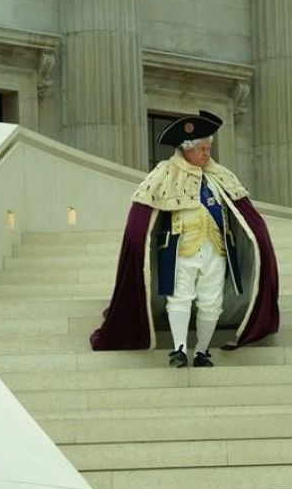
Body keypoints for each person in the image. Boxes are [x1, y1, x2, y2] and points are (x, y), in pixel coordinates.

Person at [90, 110, 279, 366]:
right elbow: (140, 214)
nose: (206, 153)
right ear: (186, 149)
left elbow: (244, 212)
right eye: (201, 148)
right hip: (179, 250)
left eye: (208, 148)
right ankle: (179, 349)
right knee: (179, 298)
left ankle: (201, 351)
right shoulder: (164, 172)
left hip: (216, 250)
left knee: (212, 302)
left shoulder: (220, 174)